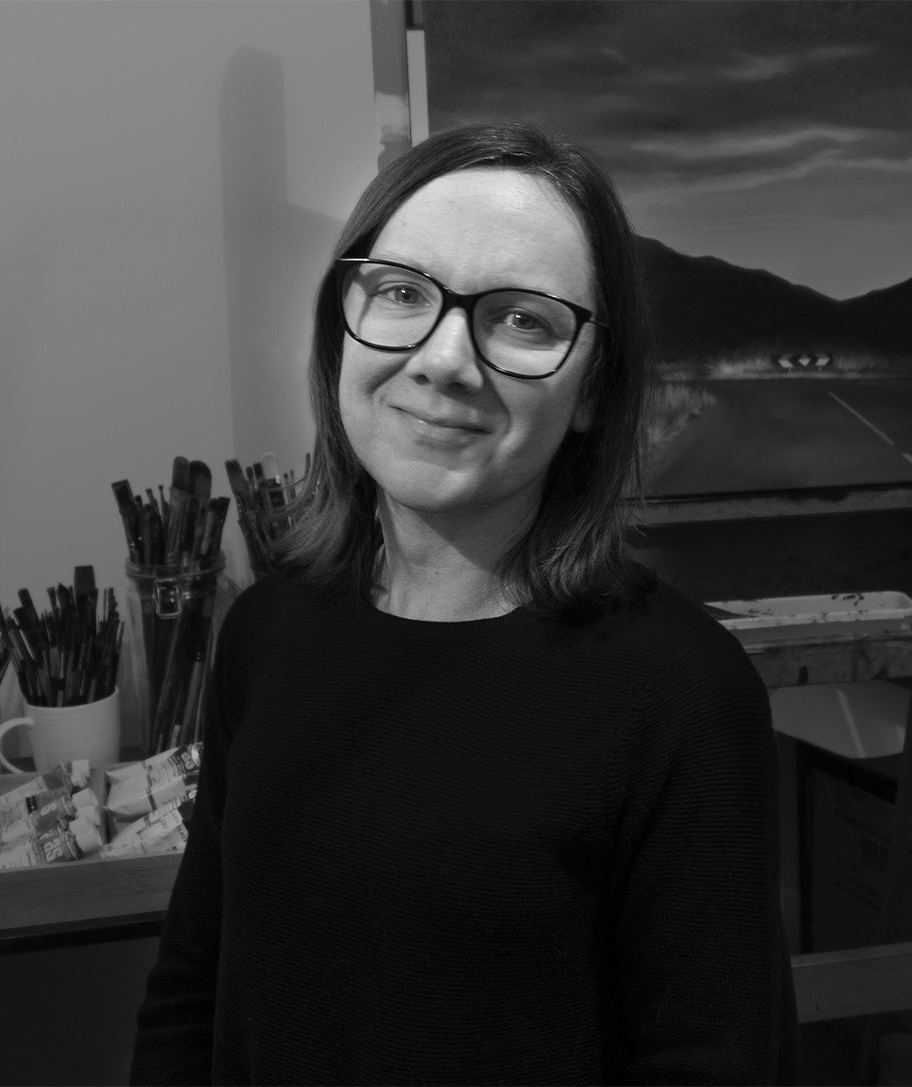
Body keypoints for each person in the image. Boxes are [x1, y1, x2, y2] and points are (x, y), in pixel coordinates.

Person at [130, 120, 800, 1085]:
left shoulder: (682, 692)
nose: (445, 358)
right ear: (341, 329)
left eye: (521, 319)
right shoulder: (264, 634)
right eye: (403, 292)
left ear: (592, 392)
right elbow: (195, 988)